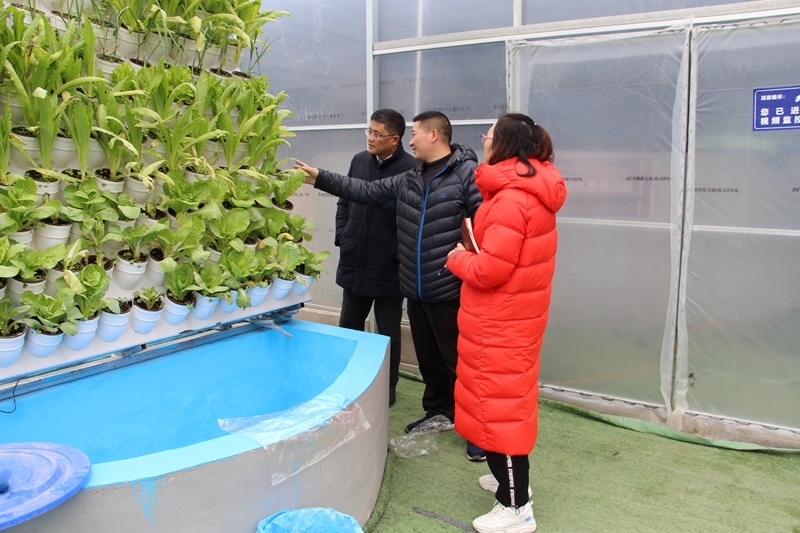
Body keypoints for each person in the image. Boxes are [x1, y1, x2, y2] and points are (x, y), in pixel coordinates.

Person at [294, 111, 486, 458]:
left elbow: (483, 221)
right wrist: (320, 177)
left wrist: (469, 255)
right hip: (415, 285)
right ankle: (440, 411)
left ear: (434, 135)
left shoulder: (465, 174)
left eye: (415, 134)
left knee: (459, 361)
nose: (411, 141)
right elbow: (365, 190)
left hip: (447, 285)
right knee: (429, 359)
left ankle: (479, 432)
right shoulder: (411, 177)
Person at [445, 113, 567, 533]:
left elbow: (490, 270)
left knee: (501, 413)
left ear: (506, 144)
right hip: (510, 320)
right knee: (501, 405)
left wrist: (458, 257)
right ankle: (512, 485)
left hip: (499, 325)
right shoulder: (527, 189)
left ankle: (516, 508)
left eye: (489, 134)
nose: (485, 139)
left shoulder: (513, 199)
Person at [335, 109, 417, 408]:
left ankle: (388, 388)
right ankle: (346, 383)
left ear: (395, 139)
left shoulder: (411, 169)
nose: (370, 138)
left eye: (377, 134)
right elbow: (344, 200)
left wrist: (397, 251)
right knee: (349, 326)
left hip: (388, 266)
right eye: (368, 131)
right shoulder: (359, 160)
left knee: (388, 332)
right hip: (355, 258)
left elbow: (413, 219)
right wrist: (343, 235)